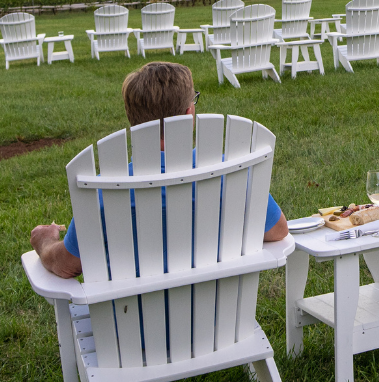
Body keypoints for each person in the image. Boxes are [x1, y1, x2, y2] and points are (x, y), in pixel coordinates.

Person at [28, 61, 288, 279]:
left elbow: (65, 265)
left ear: (133, 119)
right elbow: (277, 231)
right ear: (189, 113)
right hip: (221, 329)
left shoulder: (105, 191)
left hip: (129, 333)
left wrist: (45, 240)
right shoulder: (231, 174)